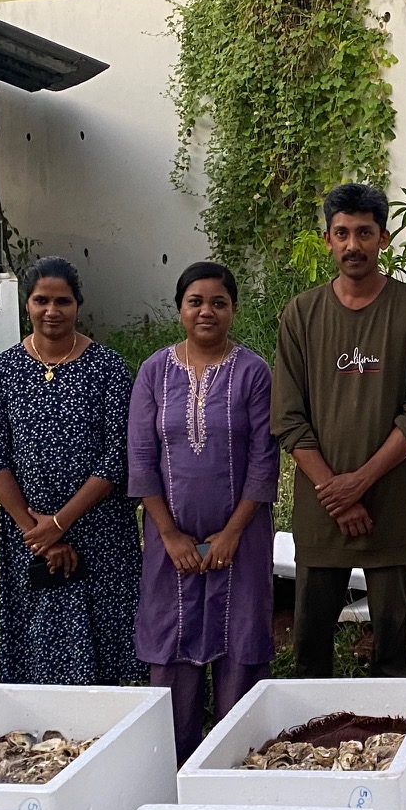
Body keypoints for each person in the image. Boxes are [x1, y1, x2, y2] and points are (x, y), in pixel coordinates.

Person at [272, 183, 406, 678]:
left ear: (384, 239)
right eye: (342, 233)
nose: (354, 245)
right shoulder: (302, 314)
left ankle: (392, 747)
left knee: (392, 649)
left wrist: (360, 483)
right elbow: (288, 415)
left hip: (389, 506)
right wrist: (337, 492)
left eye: (364, 233)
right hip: (321, 510)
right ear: (327, 239)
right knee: (311, 648)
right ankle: (311, 748)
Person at [128, 261, 278, 758]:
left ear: (233, 310)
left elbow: (263, 460)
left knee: (241, 641)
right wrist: (169, 535)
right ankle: (171, 769)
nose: (206, 311)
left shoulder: (254, 372)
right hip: (169, 539)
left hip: (243, 536)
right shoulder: (154, 371)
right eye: (196, 302)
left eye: (218, 302)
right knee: (171, 641)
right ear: (179, 310)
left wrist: (232, 533)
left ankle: (236, 766)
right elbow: (142, 459)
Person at [0, 256, 142, 684]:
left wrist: (60, 523)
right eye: (41, 300)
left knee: (106, 630)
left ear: (78, 305)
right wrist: (39, 534)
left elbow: (117, 457)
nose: (52, 311)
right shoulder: (2, 372)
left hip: (99, 526)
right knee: (41, 633)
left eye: (63, 301)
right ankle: (49, 730)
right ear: (26, 305)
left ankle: (110, 727)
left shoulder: (108, 369)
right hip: (27, 532)